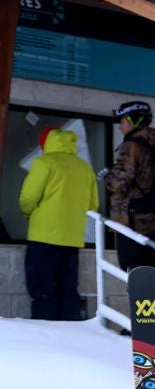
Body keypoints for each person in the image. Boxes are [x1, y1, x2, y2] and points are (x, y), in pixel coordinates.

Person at [19, 125, 97, 320]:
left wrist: (28, 212)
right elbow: (93, 205)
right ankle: (69, 333)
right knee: (68, 292)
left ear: (45, 144)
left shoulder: (44, 162)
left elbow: (28, 198)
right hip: (72, 240)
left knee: (43, 292)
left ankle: (46, 335)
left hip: (43, 237)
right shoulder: (84, 168)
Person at [103, 100, 155, 277]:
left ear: (132, 121)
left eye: (122, 121)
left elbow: (119, 180)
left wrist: (108, 177)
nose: (120, 126)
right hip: (152, 217)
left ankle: (147, 296)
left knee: (134, 267)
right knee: (151, 265)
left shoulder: (132, 145)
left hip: (132, 219)